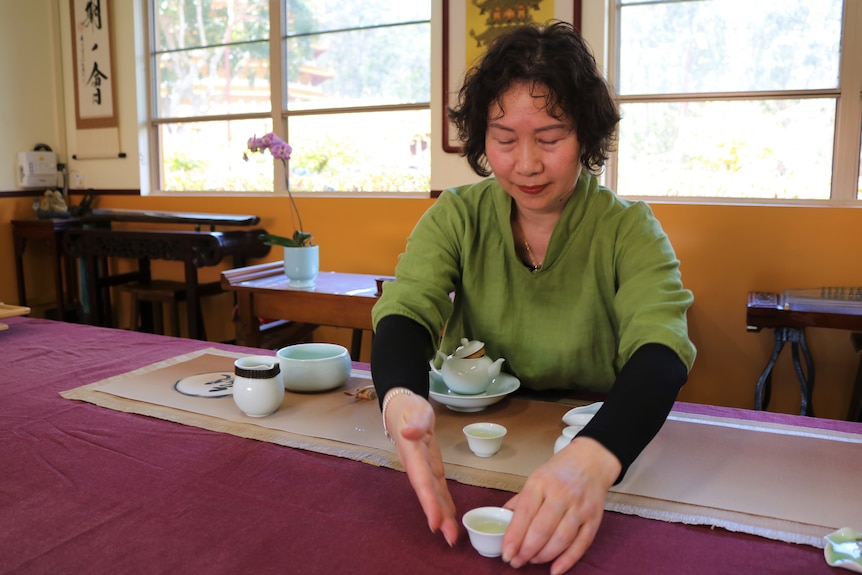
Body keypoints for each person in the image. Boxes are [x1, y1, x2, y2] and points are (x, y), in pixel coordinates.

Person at [370, 20, 695, 575]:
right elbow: (406, 309)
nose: (526, 164)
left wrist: (597, 455)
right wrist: (400, 395)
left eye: (550, 138)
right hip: (479, 439)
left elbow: (662, 349)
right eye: (503, 139)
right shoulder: (458, 215)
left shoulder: (629, 230)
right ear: (481, 139)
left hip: (594, 432)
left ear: (587, 138)